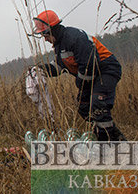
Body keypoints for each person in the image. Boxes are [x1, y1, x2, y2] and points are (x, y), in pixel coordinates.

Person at [32, 10, 126, 141]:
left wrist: (79, 83)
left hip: (106, 70)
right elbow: (60, 67)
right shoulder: (60, 45)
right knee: (84, 107)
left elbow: (90, 66)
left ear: (52, 30)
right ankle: (114, 136)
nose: (45, 39)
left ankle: (107, 143)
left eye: (45, 35)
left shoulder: (75, 38)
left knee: (98, 105)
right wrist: (41, 69)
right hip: (91, 77)